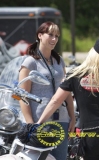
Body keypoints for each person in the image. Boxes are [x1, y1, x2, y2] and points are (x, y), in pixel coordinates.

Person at [37, 37, 99, 160]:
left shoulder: (75, 75)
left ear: (92, 53)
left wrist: (39, 123)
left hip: (91, 134)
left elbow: (55, 101)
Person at [18, 21, 75, 160]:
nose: (54, 39)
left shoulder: (59, 60)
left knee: (60, 158)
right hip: (39, 121)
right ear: (40, 36)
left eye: (57, 36)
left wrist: (72, 117)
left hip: (61, 119)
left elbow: (66, 90)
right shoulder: (30, 62)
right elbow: (22, 96)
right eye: (50, 35)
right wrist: (31, 124)